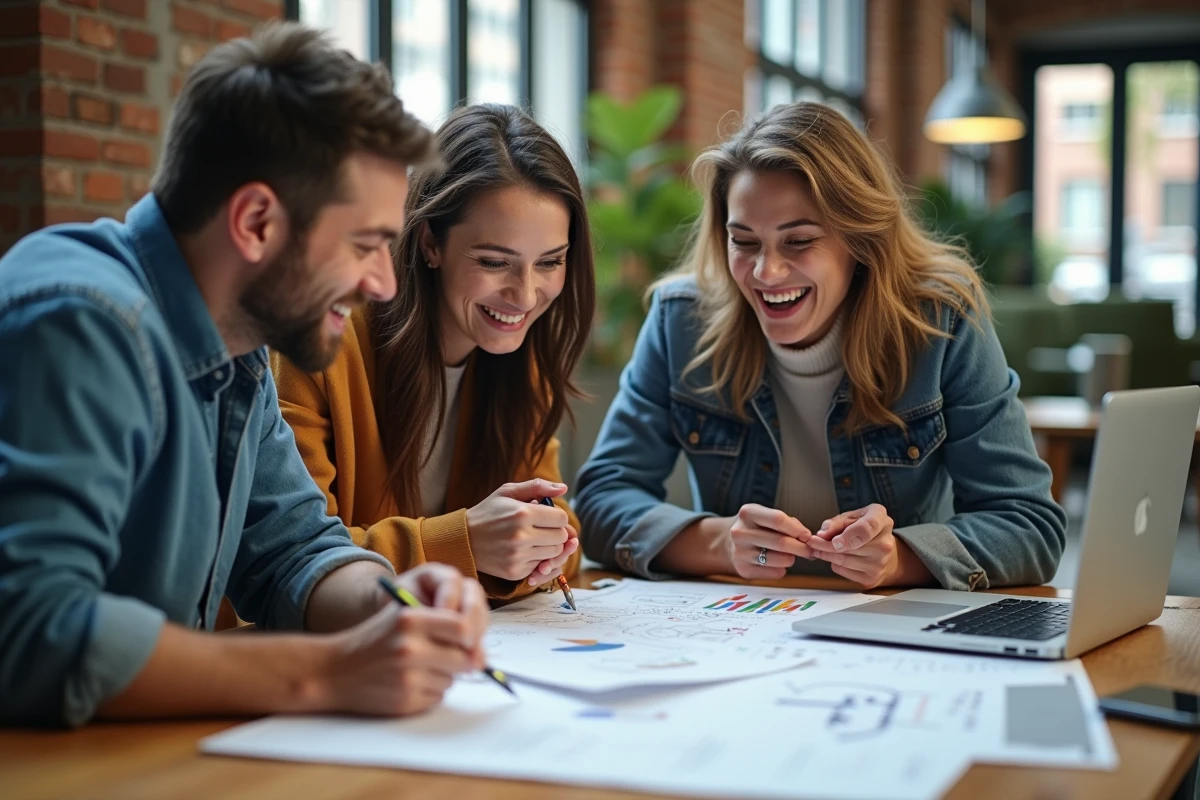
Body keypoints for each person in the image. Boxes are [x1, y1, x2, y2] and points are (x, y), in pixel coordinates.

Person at [0, 23, 490, 728]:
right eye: (365, 244)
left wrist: (396, 605)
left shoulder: (236, 343)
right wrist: (328, 672)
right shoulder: (81, 321)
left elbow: (293, 549)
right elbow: (33, 626)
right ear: (257, 222)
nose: (385, 284)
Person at [575, 101, 1066, 592]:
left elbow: (1029, 527)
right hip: (744, 618)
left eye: (798, 241)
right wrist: (721, 543)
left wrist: (898, 559)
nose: (766, 272)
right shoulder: (680, 321)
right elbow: (600, 503)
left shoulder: (942, 324)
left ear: (860, 238)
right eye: (744, 241)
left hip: (888, 622)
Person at [272, 103, 594, 601]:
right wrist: (464, 545)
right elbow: (290, 558)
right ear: (430, 244)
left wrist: (538, 546)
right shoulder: (323, 343)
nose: (526, 295)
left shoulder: (520, 361)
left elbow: (563, 542)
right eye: (494, 262)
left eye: (550, 262)